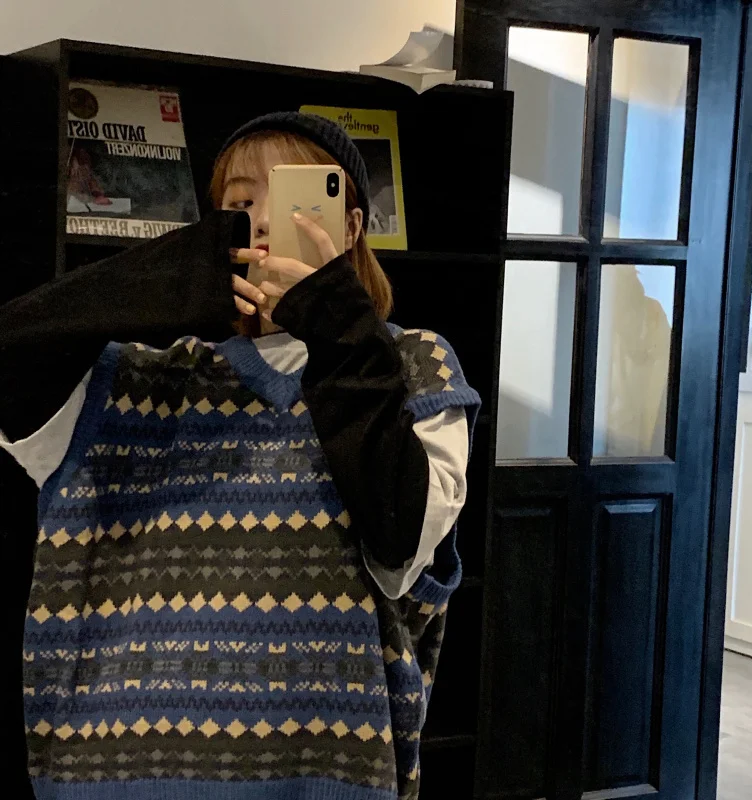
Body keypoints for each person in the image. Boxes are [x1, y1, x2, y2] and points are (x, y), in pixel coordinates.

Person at [0, 112, 480, 800]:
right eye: (242, 202)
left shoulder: (411, 366)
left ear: (350, 228)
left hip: (325, 777)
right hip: (116, 777)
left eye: (299, 198)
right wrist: (160, 279)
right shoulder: (135, 377)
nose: (265, 222)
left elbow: (402, 540)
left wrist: (342, 332)